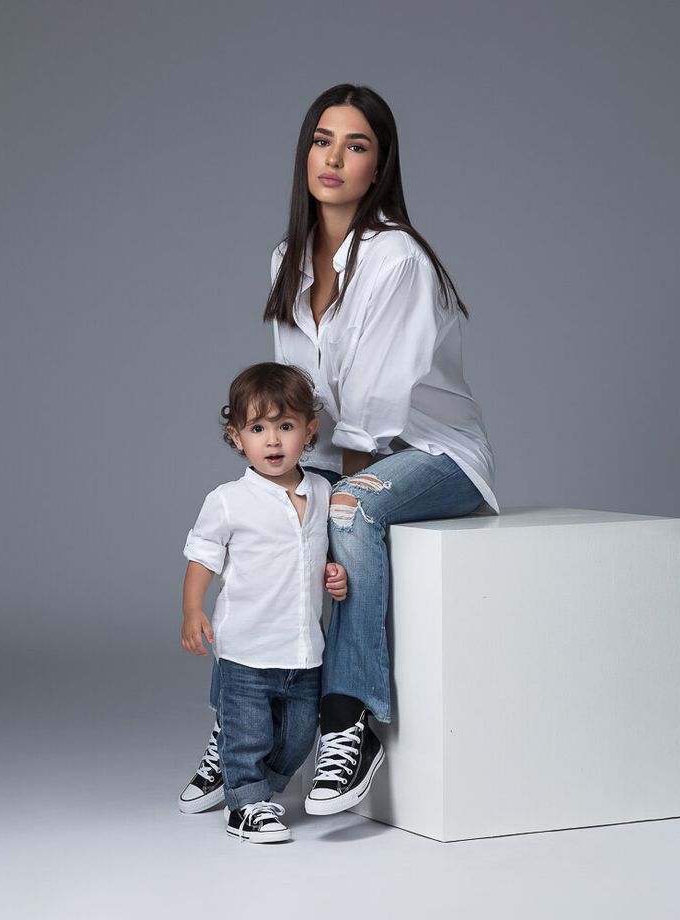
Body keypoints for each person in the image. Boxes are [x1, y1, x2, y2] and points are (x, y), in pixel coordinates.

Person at [183, 82, 499, 819]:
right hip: (342, 450)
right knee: (261, 514)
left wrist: (321, 499)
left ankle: (347, 717)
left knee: (348, 509)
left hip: (432, 453)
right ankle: (237, 727)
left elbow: (380, 413)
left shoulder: (397, 260)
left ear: (378, 166)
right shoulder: (286, 259)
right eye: (323, 140)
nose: (334, 158)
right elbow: (301, 398)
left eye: (356, 145)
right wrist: (289, 489)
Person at [179, 362, 347, 842]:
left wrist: (334, 574)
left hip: (302, 650)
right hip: (247, 649)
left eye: (286, 427)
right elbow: (202, 559)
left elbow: (320, 555)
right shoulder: (229, 500)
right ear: (237, 437)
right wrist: (193, 610)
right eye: (258, 429)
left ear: (309, 432)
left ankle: (253, 788)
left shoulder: (321, 490)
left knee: (296, 739)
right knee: (250, 732)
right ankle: (246, 803)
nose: (272, 441)